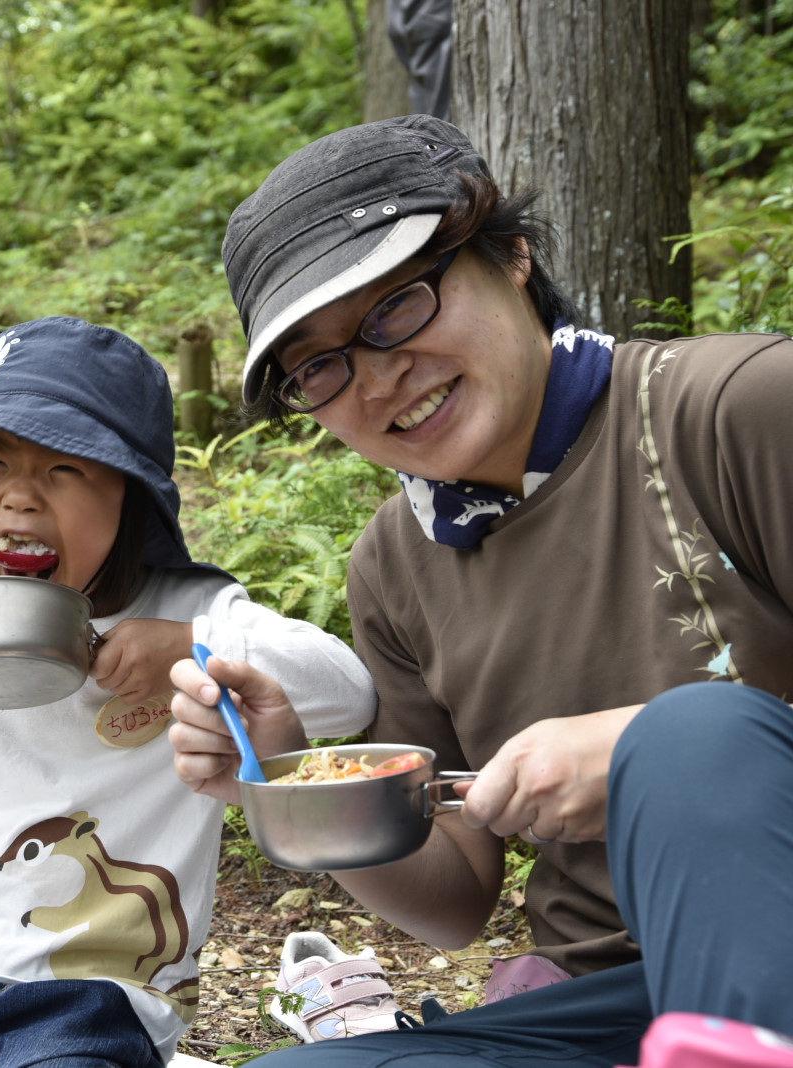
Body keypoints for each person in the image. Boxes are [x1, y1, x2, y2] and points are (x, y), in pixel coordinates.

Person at [168, 113, 793, 1066]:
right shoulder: (396, 561)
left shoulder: (733, 411)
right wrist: (289, 775)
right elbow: (457, 899)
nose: (377, 380)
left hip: (770, 945)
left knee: (693, 735)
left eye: (396, 308)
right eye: (322, 366)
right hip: (606, 1004)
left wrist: (639, 754)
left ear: (509, 256)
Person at [0, 315, 377, 1067]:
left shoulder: (192, 611)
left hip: (104, 987)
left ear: (131, 501)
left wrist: (190, 648)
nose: (20, 499)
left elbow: (349, 692)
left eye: (63, 470)